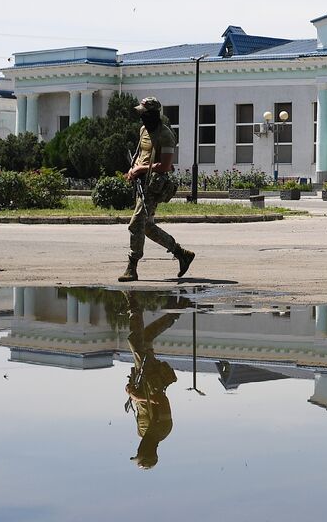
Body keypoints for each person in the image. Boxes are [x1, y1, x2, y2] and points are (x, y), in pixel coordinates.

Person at [120, 97, 195, 282]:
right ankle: (181, 253)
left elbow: (166, 165)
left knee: (136, 223)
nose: (141, 117)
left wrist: (141, 169)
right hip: (140, 182)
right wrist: (133, 169)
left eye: (144, 114)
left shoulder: (166, 135)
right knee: (146, 226)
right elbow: (141, 154)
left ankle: (132, 266)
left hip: (154, 185)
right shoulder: (143, 130)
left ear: (153, 114)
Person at [124, 293, 180, 468]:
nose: (138, 449)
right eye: (140, 452)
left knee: (146, 337)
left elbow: (140, 406)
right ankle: (133, 303)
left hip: (140, 377)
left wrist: (130, 390)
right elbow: (161, 399)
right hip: (151, 375)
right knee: (134, 340)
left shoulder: (142, 432)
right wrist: (135, 396)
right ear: (147, 451)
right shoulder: (163, 430)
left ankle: (175, 312)